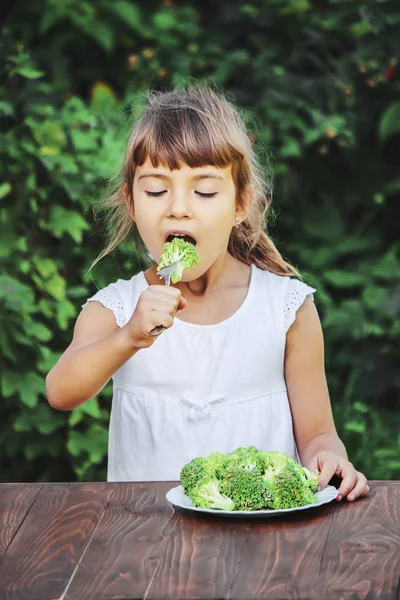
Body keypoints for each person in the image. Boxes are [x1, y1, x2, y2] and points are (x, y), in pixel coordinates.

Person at [46, 84, 369, 503]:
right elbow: (61, 391)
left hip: (262, 537)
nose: (178, 208)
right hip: (145, 540)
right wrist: (128, 339)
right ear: (130, 201)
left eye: (204, 191)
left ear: (240, 204)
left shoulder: (286, 309)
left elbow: (319, 434)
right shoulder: (116, 308)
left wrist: (330, 457)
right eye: (157, 190)